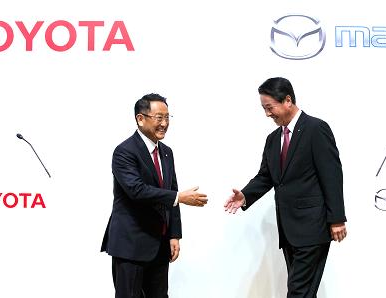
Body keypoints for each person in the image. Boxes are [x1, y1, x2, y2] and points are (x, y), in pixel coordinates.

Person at [224, 77, 347, 298]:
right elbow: (266, 177)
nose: (267, 114)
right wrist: (245, 196)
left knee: (298, 293)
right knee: (304, 292)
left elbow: (332, 175)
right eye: (264, 108)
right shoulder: (273, 139)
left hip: (313, 228)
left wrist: (337, 218)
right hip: (288, 231)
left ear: (287, 100)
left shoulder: (316, 129)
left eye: (269, 107)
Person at [101, 93, 208, 298]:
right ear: (140, 119)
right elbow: (137, 190)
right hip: (130, 246)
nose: (164, 124)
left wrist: (174, 234)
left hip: (159, 245)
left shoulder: (166, 152)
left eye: (168, 118)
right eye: (159, 118)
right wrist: (179, 197)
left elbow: (172, 189)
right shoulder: (124, 152)